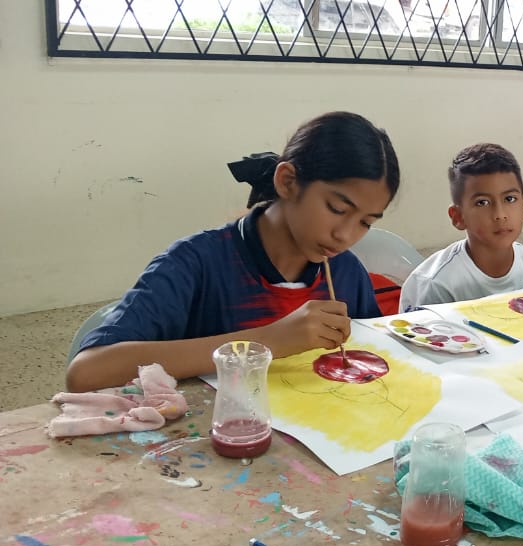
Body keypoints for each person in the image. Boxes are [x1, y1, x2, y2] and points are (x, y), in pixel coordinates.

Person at [67, 112, 399, 392]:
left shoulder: (345, 272)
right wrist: (265, 342)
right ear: (287, 181)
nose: (345, 236)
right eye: (337, 209)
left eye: (365, 222)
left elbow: (373, 360)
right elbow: (86, 373)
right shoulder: (196, 264)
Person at [399, 143, 523, 309]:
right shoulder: (436, 285)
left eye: (509, 199)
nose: (500, 214)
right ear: (458, 217)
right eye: (482, 202)